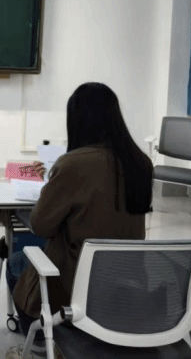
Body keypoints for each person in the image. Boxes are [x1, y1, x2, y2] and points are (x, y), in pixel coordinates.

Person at [9, 82, 154, 338]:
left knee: (16, 262)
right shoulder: (141, 163)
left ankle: (42, 342)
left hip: (75, 285)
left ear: (76, 120)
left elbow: (41, 226)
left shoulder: (73, 164)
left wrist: (49, 188)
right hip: (126, 284)